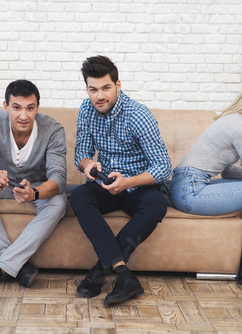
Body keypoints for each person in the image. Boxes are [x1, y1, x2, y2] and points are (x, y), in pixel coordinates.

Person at [70, 56, 172, 307]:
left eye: (106, 88)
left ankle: (99, 270)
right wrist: (89, 165)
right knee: (79, 196)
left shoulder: (138, 115)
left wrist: (127, 182)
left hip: (137, 185)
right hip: (105, 183)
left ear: (118, 85)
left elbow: (163, 167)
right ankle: (124, 275)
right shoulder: (86, 109)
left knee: (157, 204)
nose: (99, 96)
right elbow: (80, 155)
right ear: (87, 89)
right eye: (93, 89)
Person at [169, 75, 242, 287]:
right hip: (190, 191)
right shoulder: (238, 129)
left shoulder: (232, 121)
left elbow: (228, 173)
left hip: (187, 186)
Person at [0, 80, 67, 289]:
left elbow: (59, 179)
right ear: (6, 106)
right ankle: (14, 264)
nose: (23, 116)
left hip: (36, 187)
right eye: (16, 108)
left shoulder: (53, 130)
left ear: (37, 107)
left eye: (30, 108)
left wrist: (34, 193)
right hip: (0, 185)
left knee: (60, 201)